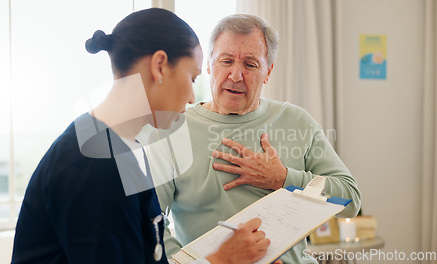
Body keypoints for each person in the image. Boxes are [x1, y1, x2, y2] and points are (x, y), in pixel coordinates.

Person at [11, 8, 273, 264]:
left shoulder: (124, 149)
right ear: (160, 66)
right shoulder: (93, 164)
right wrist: (222, 260)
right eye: (192, 79)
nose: (193, 97)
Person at [149, 14, 362, 264]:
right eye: (226, 61)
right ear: (208, 66)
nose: (236, 75)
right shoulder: (172, 129)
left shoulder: (297, 121)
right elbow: (152, 224)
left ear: (268, 71)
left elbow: (350, 199)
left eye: (250, 64)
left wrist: (283, 179)